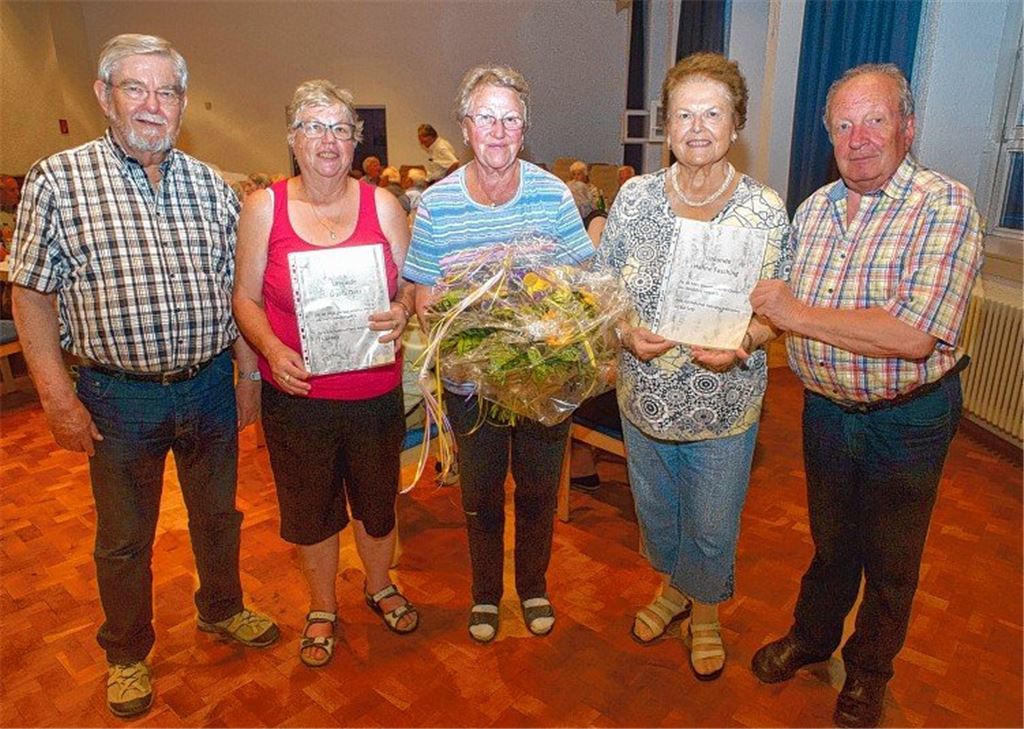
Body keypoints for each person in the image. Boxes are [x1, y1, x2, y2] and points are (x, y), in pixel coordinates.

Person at [8, 33, 279, 719]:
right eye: (137, 88)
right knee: (125, 537)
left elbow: (237, 290)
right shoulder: (58, 180)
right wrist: (56, 398)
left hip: (209, 384)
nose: (153, 105)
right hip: (116, 395)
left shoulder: (212, 185)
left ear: (183, 102)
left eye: (167, 91)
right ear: (105, 96)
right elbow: (31, 295)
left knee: (218, 516)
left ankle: (222, 607)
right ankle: (127, 651)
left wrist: (248, 373)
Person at [749, 63, 983, 728]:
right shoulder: (814, 209)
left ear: (907, 127)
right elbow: (778, 310)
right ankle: (812, 639)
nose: (859, 138)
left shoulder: (944, 204)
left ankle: (869, 672)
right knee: (830, 542)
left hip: (907, 418)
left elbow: (913, 335)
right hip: (825, 410)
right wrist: (733, 337)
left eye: (875, 120)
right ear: (829, 136)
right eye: (843, 125)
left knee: (891, 558)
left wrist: (792, 314)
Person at [594, 52, 790, 680]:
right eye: (684, 114)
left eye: (713, 113)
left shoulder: (764, 209)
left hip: (723, 401)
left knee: (711, 519)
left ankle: (704, 612)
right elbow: (604, 288)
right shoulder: (635, 198)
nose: (697, 127)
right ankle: (675, 588)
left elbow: (777, 310)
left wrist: (747, 340)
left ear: (736, 124)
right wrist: (624, 331)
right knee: (657, 512)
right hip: (645, 396)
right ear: (666, 125)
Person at [404, 64, 593, 643]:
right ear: (465, 126)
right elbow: (421, 294)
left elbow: (583, 283)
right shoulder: (436, 203)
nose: (498, 130)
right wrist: (459, 327)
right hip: (471, 386)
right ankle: (485, 594)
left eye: (510, 119)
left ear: (525, 129)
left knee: (537, 492)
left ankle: (533, 586)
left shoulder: (552, 194)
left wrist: (550, 324)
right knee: (480, 495)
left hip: (544, 381)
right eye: (486, 117)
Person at [233, 80, 418, 669]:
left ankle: (380, 585)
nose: (328, 140)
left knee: (377, 502)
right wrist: (268, 349)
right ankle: (322, 605)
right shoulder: (264, 208)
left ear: (356, 139)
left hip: (373, 391)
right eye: (313, 127)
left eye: (340, 128)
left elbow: (412, 287)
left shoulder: (382, 205)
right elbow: (244, 298)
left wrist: (402, 309)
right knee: (311, 510)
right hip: (298, 395)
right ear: (293, 138)